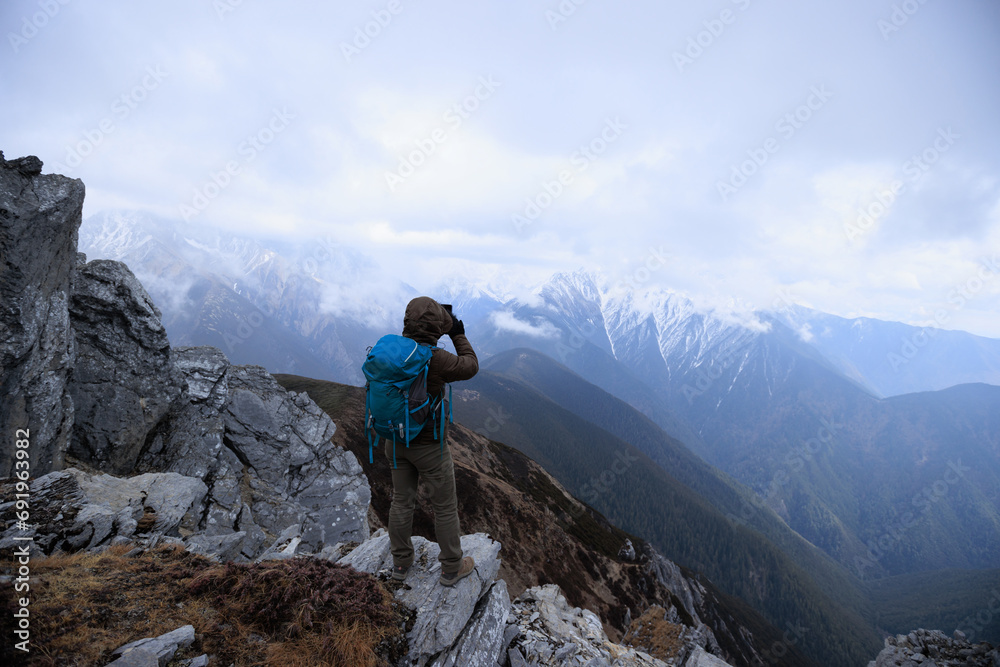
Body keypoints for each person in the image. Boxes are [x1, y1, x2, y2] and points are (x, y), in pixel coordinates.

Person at [388, 296, 479, 586]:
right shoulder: (435, 358)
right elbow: (471, 365)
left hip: (394, 440)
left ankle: (400, 565)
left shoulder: (389, 349)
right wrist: (457, 333)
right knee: (444, 507)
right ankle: (452, 567)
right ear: (436, 326)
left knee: (401, 501)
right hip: (428, 446)